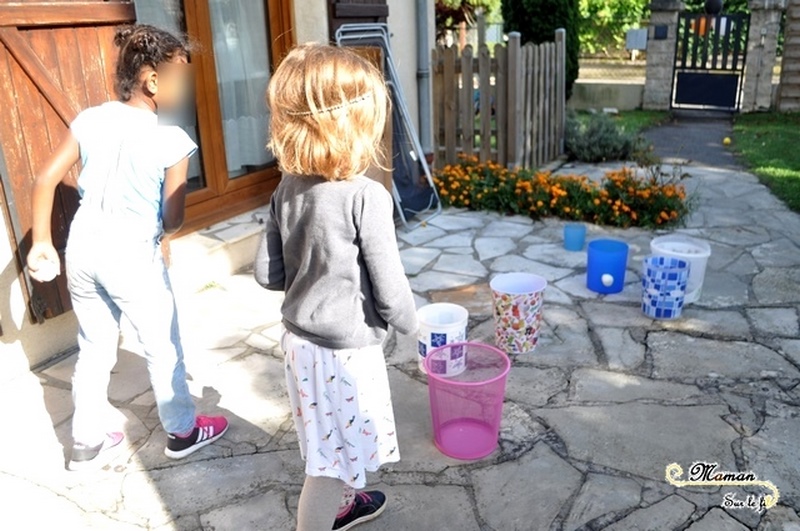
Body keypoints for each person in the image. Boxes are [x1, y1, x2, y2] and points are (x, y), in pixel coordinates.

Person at [26, 24, 228, 471]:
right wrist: (165, 233)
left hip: (81, 250)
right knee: (162, 346)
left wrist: (42, 242)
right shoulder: (174, 141)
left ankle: (86, 442)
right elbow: (172, 218)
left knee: (94, 347)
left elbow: (44, 179)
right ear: (153, 81)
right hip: (132, 257)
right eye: (181, 77)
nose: (186, 87)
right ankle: (182, 431)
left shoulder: (91, 119)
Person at [255, 43, 418, 531]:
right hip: (343, 355)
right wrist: (414, 325)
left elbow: (268, 274)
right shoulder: (367, 195)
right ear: (350, 126)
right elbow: (390, 289)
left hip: (299, 347)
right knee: (327, 466)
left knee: (328, 440)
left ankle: (345, 505)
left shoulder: (286, 188)